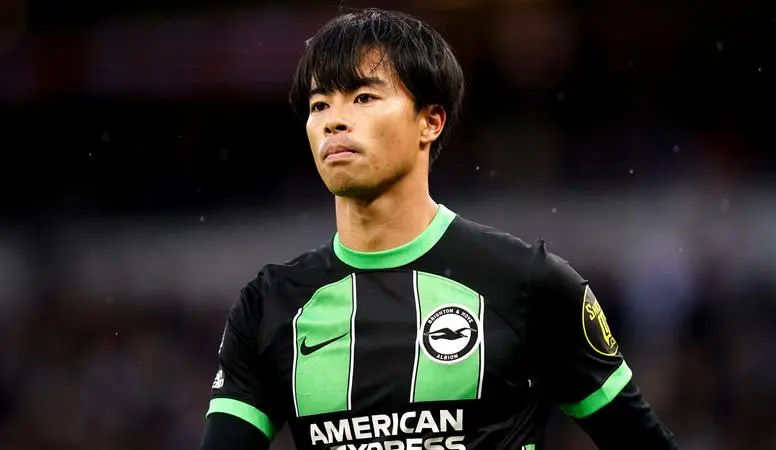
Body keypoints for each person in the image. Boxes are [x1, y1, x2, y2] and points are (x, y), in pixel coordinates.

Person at [199, 8, 679, 450]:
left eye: (363, 97)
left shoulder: (528, 284)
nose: (334, 121)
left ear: (430, 121)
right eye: (320, 104)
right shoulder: (269, 306)